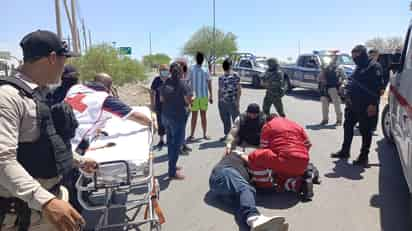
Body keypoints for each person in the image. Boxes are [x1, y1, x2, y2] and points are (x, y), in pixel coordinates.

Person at [0, 30, 97, 231]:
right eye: (64, 60)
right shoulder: (8, 97)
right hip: (26, 214)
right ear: (53, 58)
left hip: (48, 202)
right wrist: (45, 202)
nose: (65, 68)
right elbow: (3, 160)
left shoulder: (37, 93)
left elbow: (45, 140)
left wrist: (76, 160)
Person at [65, 72, 153, 149]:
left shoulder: (75, 88)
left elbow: (85, 112)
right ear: (109, 86)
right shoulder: (104, 98)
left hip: (61, 134)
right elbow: (134, 115)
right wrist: (151, 123)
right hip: (77, 141)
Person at [331, 45, 384, 167]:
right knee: (348, 126)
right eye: (353, 57)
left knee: (366, 131)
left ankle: (363, 156)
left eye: (357, 57)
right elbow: (353, 81)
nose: (355, 59)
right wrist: (345, 87)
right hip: (353, 104)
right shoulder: (359, 67)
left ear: (363, 55)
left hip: (367, 105)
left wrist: (372, 105)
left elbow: (378, 89)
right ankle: (345, 151)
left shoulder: (374, 67)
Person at [209, 151, 289, 231]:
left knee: (242, 204)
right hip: (224, 174)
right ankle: (254, 218)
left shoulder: (246, 171)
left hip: (223, 189)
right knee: (245, 189)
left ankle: (259, 227)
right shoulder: (235, 155)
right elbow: (251, 160)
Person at [247, 116, 317, 201]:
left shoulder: (268, 126)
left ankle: (264, 186)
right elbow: (308, 144)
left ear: (267, 120)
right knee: (279, 178)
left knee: (254, 156)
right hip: (303, 161)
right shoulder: (295, 125)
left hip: (285, 159)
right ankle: (301, 185)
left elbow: (263, 148)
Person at [160, 63, 193, 180]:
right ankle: (172, 171)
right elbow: (188, 100)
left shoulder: (165, 83)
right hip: (177, 117)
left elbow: (161, 99)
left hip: (166, 116)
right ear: (181, 72)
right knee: (176, 145)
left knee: (170, 142)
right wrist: (189, 101)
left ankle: (172, 166)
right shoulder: (183, 84)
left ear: (170, 72)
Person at [188, 52, 213, 141]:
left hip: (201, 97)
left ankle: (199, 135)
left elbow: (209, 82)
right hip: (198, 97)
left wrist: (211, 95)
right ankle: (196, 135)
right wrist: (211, 96)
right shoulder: (192, 69)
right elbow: (187, 82)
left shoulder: (204, 69)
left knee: (200, 116)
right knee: (200, 116)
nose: (200, 59)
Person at [218, 58, 241, 141]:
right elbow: (219, 89)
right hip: (223, 102)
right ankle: (227, 135)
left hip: (233, 101)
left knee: (236, 119)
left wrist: (237, 101)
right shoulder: (221, 77)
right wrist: (219, 100)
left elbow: (239, 89)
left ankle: (237, 136)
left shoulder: (235, 75)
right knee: (225, 119)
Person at [318, 55, 344, 126]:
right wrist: (322, 74)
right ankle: (325, 120)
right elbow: (319, 78)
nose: (332, 60)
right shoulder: (325, 68)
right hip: (325, 89)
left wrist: (342, 85)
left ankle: (339, 120)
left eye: (334, 58)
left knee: (337, 105)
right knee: (324, 106)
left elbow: (344, 78)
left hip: (334, 88)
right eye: (331, 58)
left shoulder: (339, 68)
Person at [151, 64, 169, 150]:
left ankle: (170, 139)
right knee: (160, 122)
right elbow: (152, 92)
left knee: (169, 123)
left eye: (166, 69)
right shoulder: (156, 80)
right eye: (163, 70)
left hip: (170, 106)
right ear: (160, 71)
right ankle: (161, 140)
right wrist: (152, 104)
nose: (165, 71)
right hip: (159, 105)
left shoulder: (171, 80)